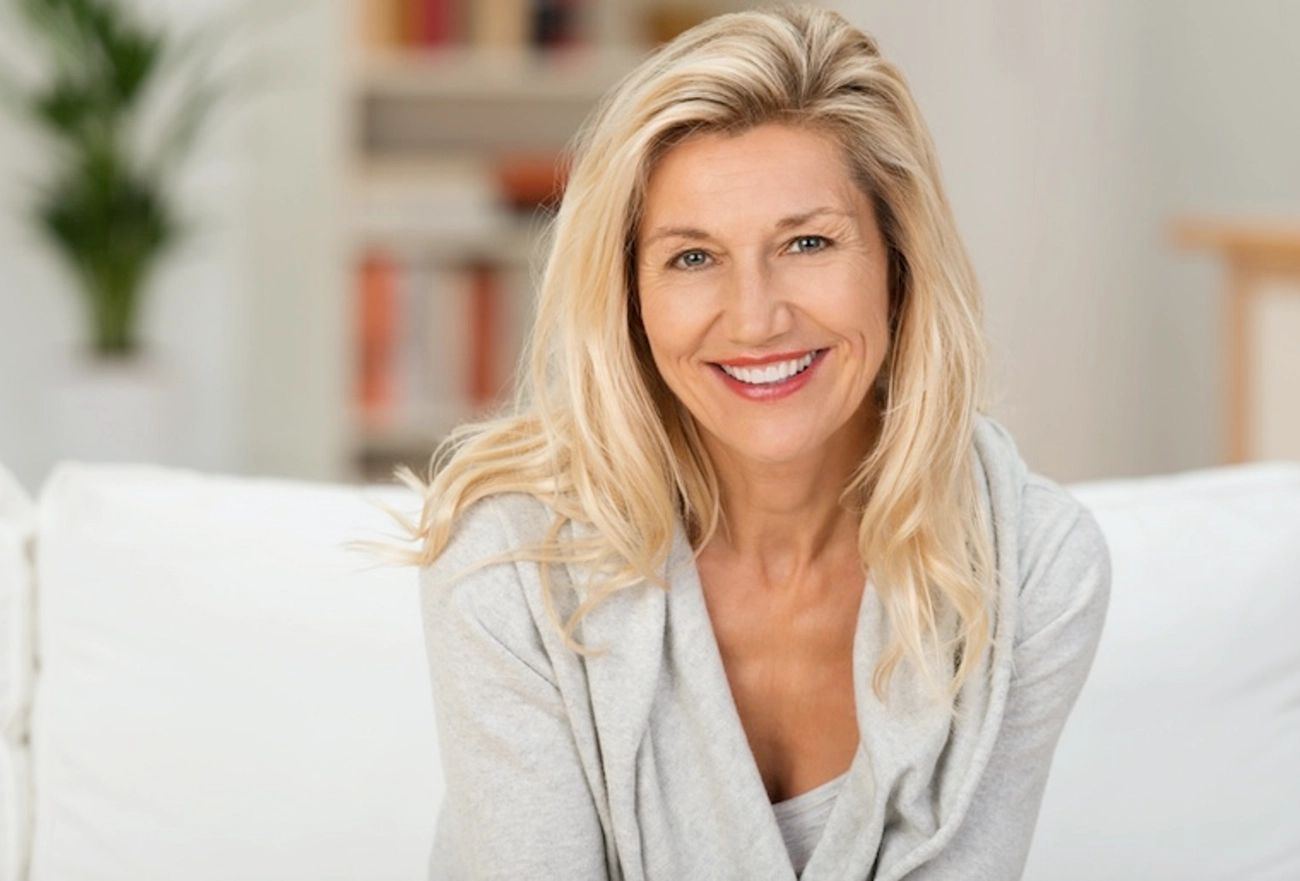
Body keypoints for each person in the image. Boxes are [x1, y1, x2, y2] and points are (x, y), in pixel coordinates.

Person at [392, 6, 1110, 879]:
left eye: (808, 242)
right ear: (631, 299)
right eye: (693, 258)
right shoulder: (507, 558)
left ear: (896, 264)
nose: (757, 316)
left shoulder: (1032, 565)